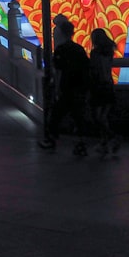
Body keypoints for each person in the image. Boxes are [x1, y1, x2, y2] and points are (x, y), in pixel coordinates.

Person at [40, 19, 91, 155]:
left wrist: (56, 89)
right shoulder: (79, 49)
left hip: (66, 88)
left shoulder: (61, 50)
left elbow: (59, 72)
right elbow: (86, 69)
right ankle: (81, 143)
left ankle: (51, 140)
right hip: (79, 89)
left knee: (56, 115)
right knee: (78, 117)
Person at [88, 28, 120, 155]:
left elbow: (95, 70)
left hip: (98, 86)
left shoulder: (95, 53)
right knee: (103, 116)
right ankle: (105, 141)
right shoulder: (109, 52)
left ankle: (110, 139)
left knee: (97, 116)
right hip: (108, 85)